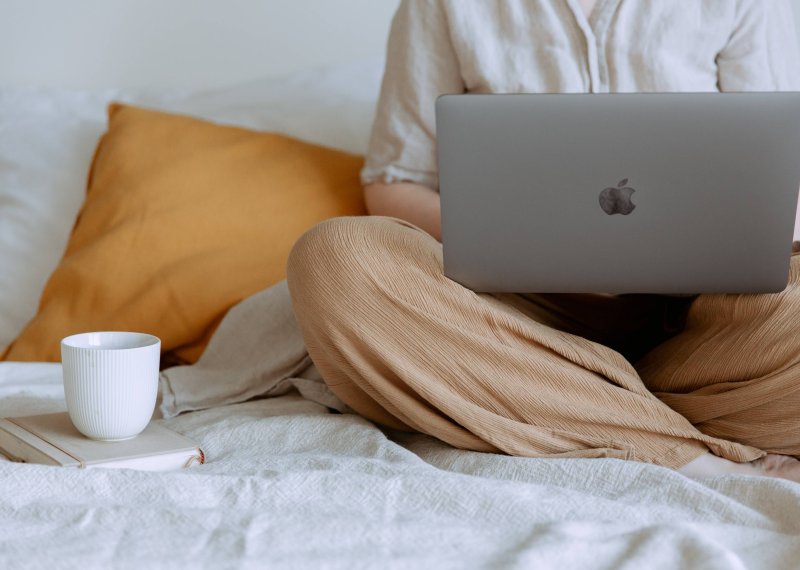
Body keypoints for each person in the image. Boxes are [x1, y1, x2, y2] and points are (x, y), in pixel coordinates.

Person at [287, 0, 800, 481]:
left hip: (711, 324)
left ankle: (551, 402)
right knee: (335, 259)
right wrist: (509, 234)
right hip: (513, 313)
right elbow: (395, 180)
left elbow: (782, 176)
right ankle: (674, 444)